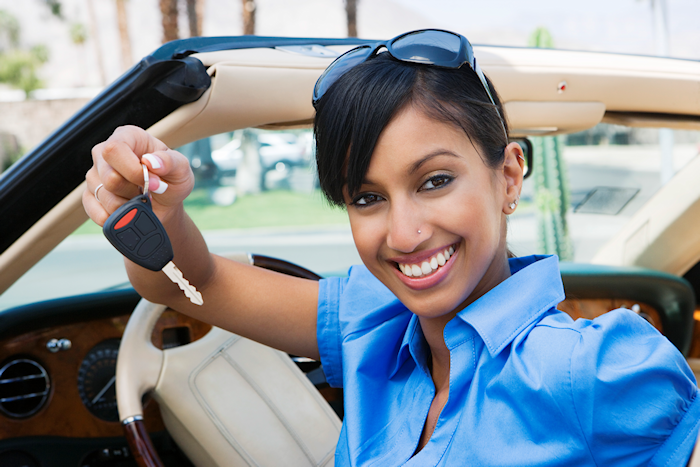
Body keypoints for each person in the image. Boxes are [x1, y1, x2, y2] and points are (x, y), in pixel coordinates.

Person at [83, 29, 699, 466]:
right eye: (367, 197)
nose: (403, 235)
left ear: (508, 175)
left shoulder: (593, 368)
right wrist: (159, 211)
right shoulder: (372, 317)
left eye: (434, 181)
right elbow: (187, 284)